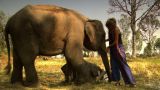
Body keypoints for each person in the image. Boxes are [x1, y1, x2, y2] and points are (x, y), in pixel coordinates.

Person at [105, 18, 136, 87]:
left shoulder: (116, 30)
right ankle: (117, 81)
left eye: (109, 26)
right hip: (113, 49)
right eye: (107, 27)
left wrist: (109, 47)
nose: (108, 28)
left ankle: (131, 82)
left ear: (112, 25)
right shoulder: (110, 30)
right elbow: (111, 39)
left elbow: (116, 42)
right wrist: (105, 40)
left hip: (118, 48)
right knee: (114, 65)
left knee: (123, 65)